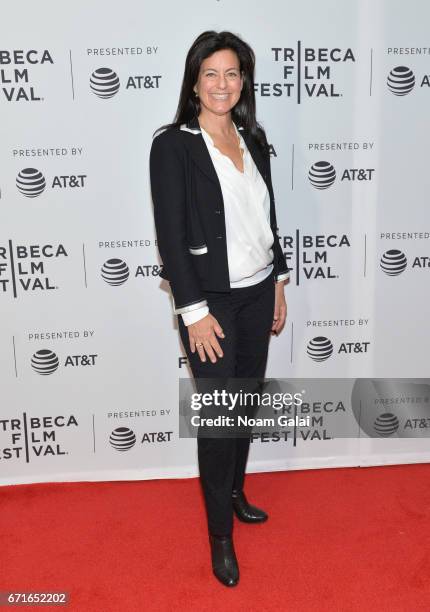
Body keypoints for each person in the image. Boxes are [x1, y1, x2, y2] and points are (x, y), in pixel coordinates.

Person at [149, 30, 289, 587]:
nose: (222, 84)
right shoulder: (173, 145)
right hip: (210, 303)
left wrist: (278, 281)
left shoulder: (251, 136)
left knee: (245, 402)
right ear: (194, 80)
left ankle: (234, 492)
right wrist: (193, 312)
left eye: (232, 73)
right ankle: (219, 538)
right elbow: (172, 237)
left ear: (243, 81)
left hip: (258, 292)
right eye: (212, 74)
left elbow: (266, 221)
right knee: (219, 418)